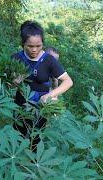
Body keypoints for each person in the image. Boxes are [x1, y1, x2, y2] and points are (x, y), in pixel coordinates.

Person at [11, 20, 73, 150]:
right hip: (21, 104)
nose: (34, 50)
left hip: (41, 106)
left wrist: (51, 95)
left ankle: (33, 163)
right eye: (29, 46)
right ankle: (16, 161)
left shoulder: (49, 60)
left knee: (36, 138)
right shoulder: (16, 58)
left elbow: (68, 81)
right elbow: (9, 85)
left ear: (43, 43)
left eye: (38, 46)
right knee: (17, 135)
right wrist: (14, 83)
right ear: (22, 43)